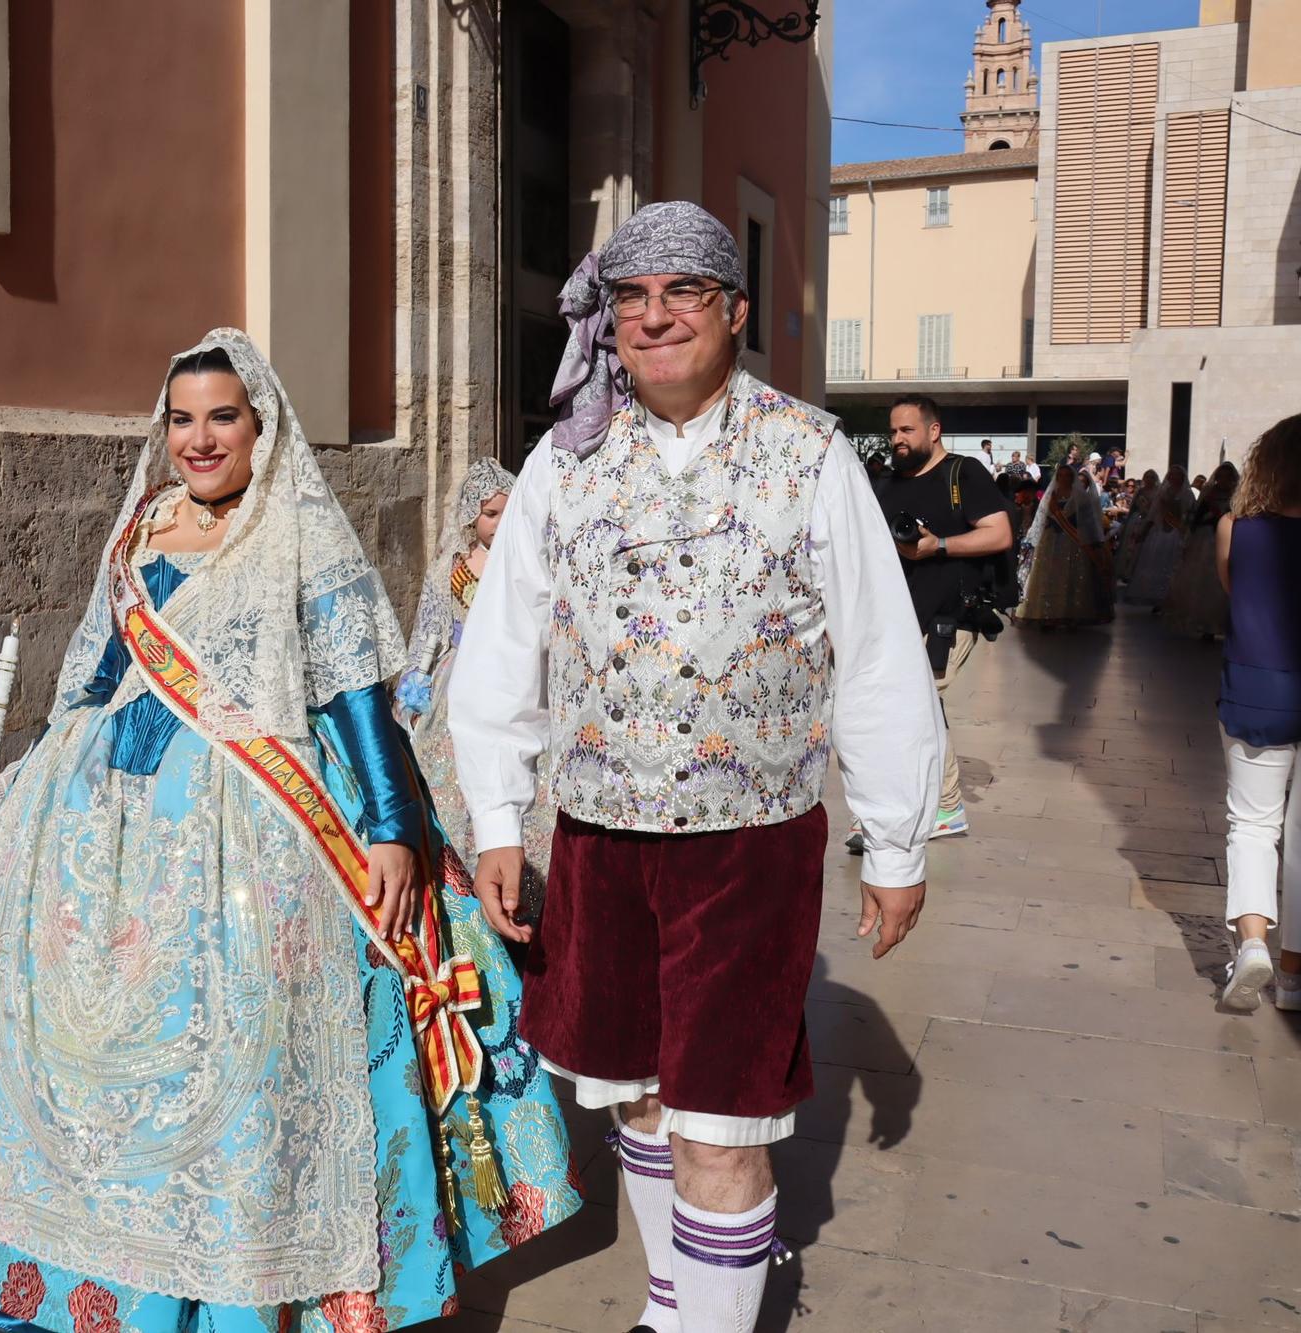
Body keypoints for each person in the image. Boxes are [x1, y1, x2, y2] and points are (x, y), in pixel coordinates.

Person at [0, 329, 580, 1333]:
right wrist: (14, 794)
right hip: (95, 829)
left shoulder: (299, 531)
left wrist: (390, 825)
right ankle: (76, 1264)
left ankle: (238, 1275)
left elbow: (353, 688)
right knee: (75, 1051)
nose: (199, 438)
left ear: (262, 427)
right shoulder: (138, 530)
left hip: (250, 827)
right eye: (182, 419)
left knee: (237, 1051)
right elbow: (89, 673)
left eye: (222, 417)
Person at [452, 203, 944, 1333]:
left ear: (730, 311)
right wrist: (494, 815)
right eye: (630, 296)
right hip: (597, 841)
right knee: (633, 1101)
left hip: (748, 845)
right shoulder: (563, 462)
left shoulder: (806, 450)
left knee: (718, 1123)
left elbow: (873, 654)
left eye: (682, 292)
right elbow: (503, 645)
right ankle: (674, 1314)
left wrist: (895, 836)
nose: (653, 315)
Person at [395, 457, 553, 919]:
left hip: (515, 678)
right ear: (471, 519)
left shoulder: (524, 564)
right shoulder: (453, 570)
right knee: (449, 779)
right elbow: (428, 633)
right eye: (490, 515)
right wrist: (413, 694)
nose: (499, 523)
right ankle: (459, 875)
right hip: (457, 681)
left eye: (507, 512)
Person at [866, 395, 1015, 843]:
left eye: (907, 431)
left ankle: (942, 805)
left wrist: (940, 545)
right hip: (899, 615)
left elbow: (1000, 533)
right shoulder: (889, 482)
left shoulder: (963, 473)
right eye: (893, 432)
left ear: (934, 431)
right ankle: (933, 804)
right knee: (914, 708)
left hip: (953, 616)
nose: (898, 440)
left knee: (919, 704)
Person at [1212, 417, 1301, 1011]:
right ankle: (1294, 976)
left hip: (1256, 687)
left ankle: (1252, 945)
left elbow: (1233, 591)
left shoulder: (1233, 529)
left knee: (1253, 824)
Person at [1015, 465, 1112, 629]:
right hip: (1051, 539)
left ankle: (1071, 613)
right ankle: (1049, 613)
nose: (1064, 478)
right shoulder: (1051, 494)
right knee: (1050, 576)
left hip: (1073, 540)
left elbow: (1086, 520)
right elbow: (1043, 517)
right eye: (1061, 475)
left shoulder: (1079, 496)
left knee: (1072, 576)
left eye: (1068, 475)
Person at [1163, 462, 1239, 639]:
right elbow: (1195, 517)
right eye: (1222, 476)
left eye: (1229, 477)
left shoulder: (1237, 497)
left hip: (1230, 539)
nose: (1225, 480)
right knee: (1205, 580)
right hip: (1206, 540)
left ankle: (1225, 622)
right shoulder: (1208, 496)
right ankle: (1207, 623)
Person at [1123, 467, 1193, 605]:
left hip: (1178, 532)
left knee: (1174, 565)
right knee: (1156, 564)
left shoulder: (1187, 494)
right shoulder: (1162, 493)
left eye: (1178, 475)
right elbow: (1153, 514)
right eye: (1172, 475)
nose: (1174, 478)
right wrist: (1144, 531)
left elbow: (1189, 513)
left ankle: (1172, 597)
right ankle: (1157, 597)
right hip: (1160, 532)